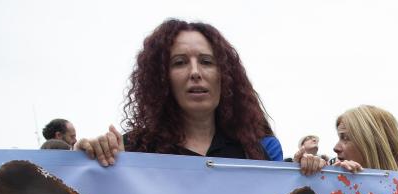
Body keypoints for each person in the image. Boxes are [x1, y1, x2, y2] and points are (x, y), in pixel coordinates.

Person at [77, 19, 270, 164]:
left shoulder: (252, 155)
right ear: (162, 78)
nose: (195, 72)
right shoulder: (131, 151)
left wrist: (301, 167)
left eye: (206, 62)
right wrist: (90, 160)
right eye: (180, 63)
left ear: (225, 76)